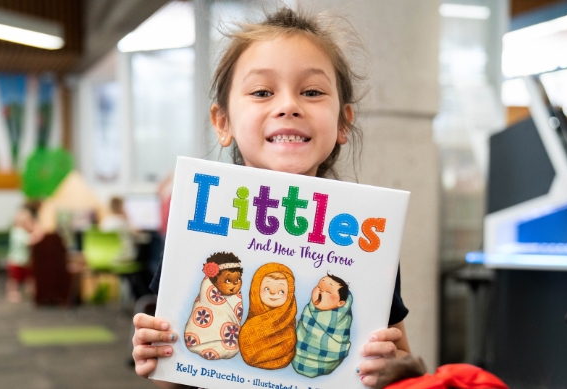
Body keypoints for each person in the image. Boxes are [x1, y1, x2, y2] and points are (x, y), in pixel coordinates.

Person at [132, 7, 413, 388]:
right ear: (223, 122)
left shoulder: (370, 236)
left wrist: (396, 367)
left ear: (344, 122)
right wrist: (157, 355)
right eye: (262, 92)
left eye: (312, 92)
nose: (288, 106)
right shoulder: (195, 222)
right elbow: (173, 378)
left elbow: (403, 365)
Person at [6, 202, 43, 303]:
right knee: (15, 280)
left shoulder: (23, 231)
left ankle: (31, 291)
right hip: (16, 261)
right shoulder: (18, 232)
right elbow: (29, 241)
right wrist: (37, 234)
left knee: (29, 277)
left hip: (25, 260)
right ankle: (13, 293)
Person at [98, 196, 137, 263]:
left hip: (107, 256)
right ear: (121, 207)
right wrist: (128, 219)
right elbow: (136, 235)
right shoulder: (123, 222)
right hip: (124, 257)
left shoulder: (105, 222)